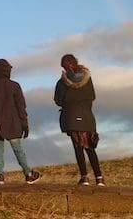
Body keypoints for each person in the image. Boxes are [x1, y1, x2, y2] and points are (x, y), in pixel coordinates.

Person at [0, 58, 41, 185]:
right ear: (7, 71)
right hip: (13, 124)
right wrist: (25, 125)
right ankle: (28, 174)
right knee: (18, 149)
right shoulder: (14, 86)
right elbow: (21, 107)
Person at [54, 53, 104, 186]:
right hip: (87, 116)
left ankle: (84, 178)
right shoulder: (88, 79)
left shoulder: (61, 82)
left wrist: (68, 103)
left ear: (65, 66)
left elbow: (58, 101)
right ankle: (99, 178)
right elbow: (92, 96)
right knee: (90, 148)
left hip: (71, 117)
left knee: (78, 148)